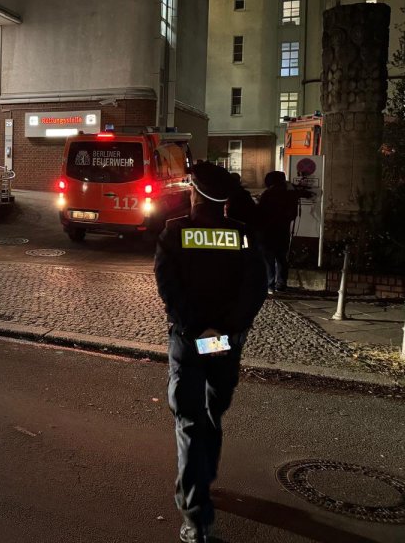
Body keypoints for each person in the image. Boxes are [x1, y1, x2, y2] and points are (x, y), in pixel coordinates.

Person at [154, 162, 267, 543]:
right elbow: (256, 288)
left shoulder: (174, 232)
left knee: (189, 421)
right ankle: (206, 476)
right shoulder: (242, 235)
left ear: (195, 194)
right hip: (224, 341)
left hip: (190, 340)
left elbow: (169, 289)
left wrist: (197, 329)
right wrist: (226, 329)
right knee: (213, 411)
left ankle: (197, 520)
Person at [257, 170, 300, 293]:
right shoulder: (290, 194)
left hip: (267, 232)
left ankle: (270, 285)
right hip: (283, 231)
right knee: (281, 258)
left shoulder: (268, 194)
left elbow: (260, 212)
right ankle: (281, 284)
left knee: (268, 259)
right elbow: (293, 214)